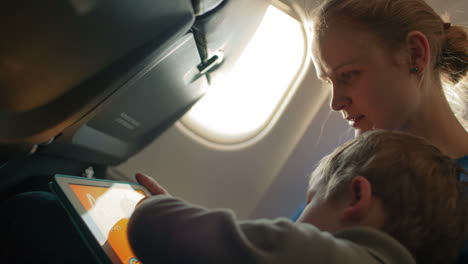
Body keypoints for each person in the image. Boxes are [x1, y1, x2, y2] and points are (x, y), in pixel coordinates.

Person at [129, 130, 468, 264]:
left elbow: (151, 228)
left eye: (311, 201)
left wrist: (158, 207)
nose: (302, 215)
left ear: (356, 199)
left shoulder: (319, 255)